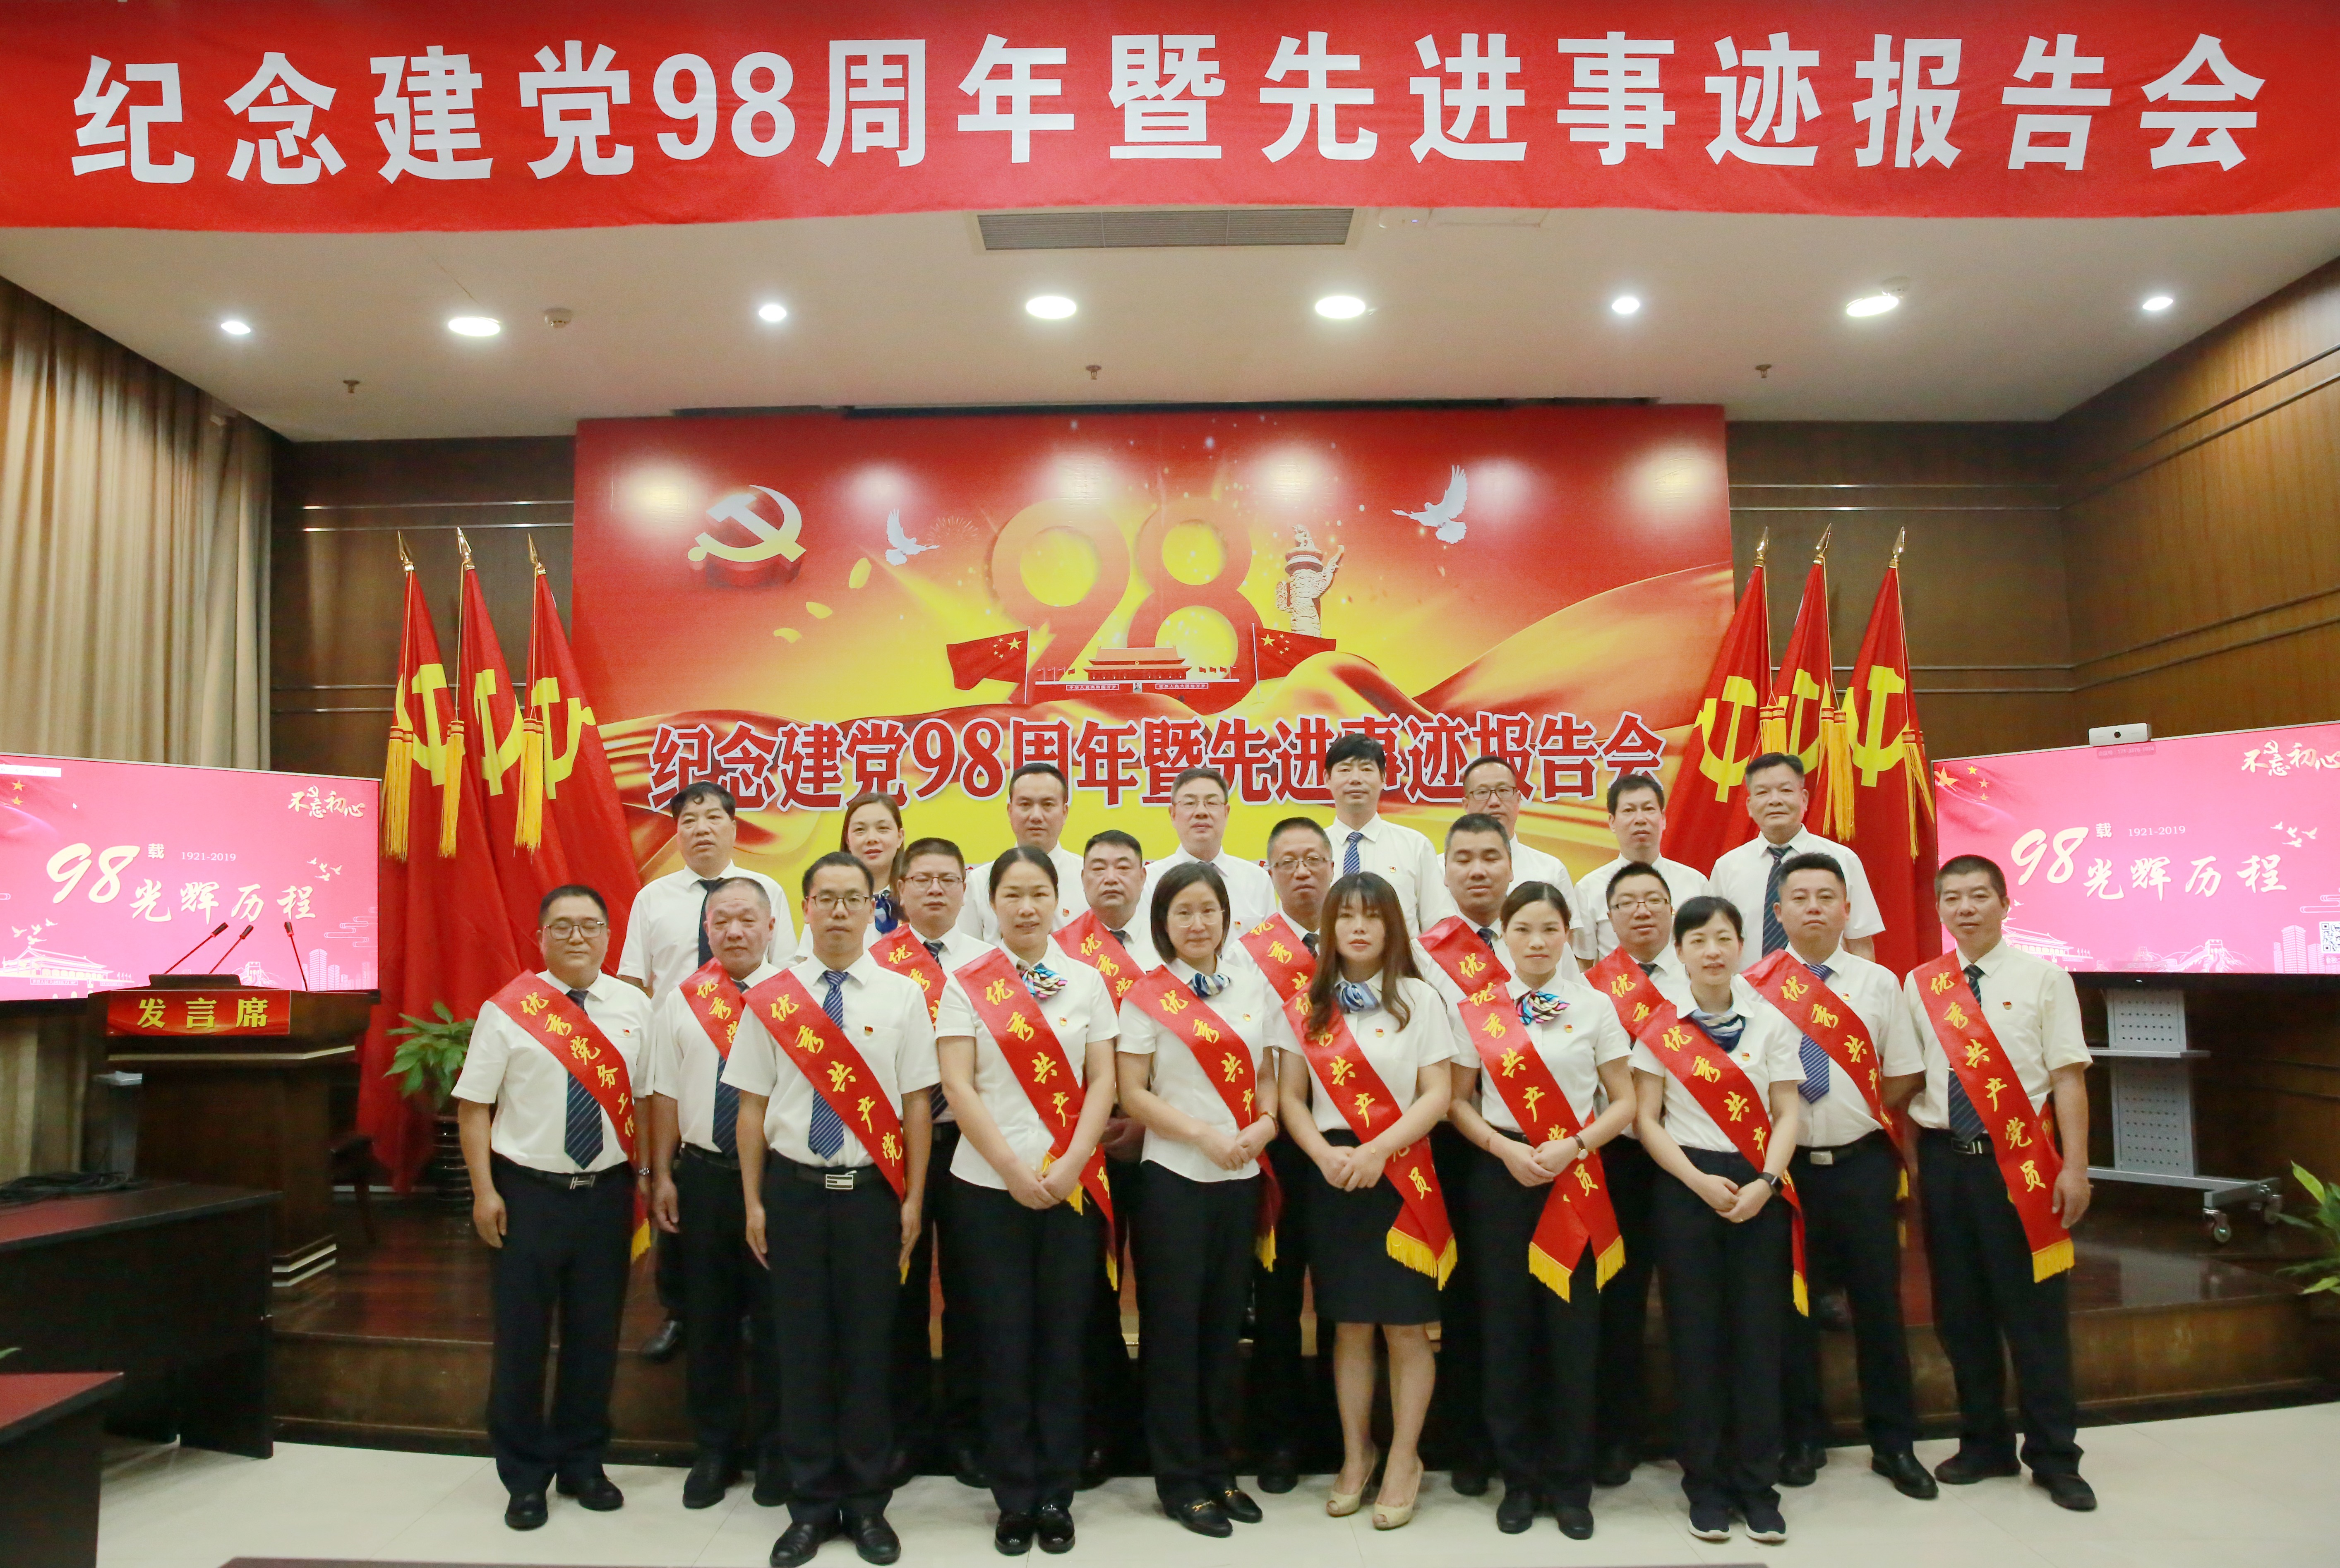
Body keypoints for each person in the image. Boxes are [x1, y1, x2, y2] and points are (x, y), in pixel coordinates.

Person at [727, 851, 938, 1567]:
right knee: (802, 1350)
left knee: (870, 1351)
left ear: (874, 907)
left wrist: (913, 1197)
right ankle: (812, 1504)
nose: (841, 911)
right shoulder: (774, 997)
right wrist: (753, 1200)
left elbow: (916, 1106)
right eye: (828, 898)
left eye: (854, 898)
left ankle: (868, 1504)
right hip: (793, 1192)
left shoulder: (902, 996)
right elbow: (751, 1108)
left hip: (872, 1195)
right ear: (807, 908)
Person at [936, 848, 1121, 1556]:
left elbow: (1102, 1080)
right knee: (1002, 1341)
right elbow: (958, 1086)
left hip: (1072, 1187)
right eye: (1012, 894)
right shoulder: (966, 982)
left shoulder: (1086, 981)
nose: (1025, 907)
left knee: (1063, 1341)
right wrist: (1012, 1168)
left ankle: (1055, 1493)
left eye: (1038, 893)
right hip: (987, 1189)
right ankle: (1013, 1496)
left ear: (1057, 900)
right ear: (994, 904)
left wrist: (1072, 1161)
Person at [453, 885, 651, 1532]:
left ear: (607, 935)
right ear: (539, 937)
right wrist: (484, 1190)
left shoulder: (634, 1007)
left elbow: (645, 1100)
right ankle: (523, 1475)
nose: (576, 937)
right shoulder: (509, 1009)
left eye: (589, 925)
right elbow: (474, 1107)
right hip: (527, 1193)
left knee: (595, 1335)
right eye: (561, 926)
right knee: (522, 1339)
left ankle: (583, 1462)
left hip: (606, 1193)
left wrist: (649, 1176)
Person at [1900, 855, 2096, 1511]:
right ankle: (1983, 1442)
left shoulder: (2044, 978)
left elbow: (2066, 1077)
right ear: (1939, 909)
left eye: (1978, 895)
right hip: (1945, 1162)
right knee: (1960, 1312)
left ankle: (2054, 1455)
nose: (1965, 908)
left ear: (2004, 904)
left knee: (2033, 1313)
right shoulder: (1922, 984)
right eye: (1951, 898)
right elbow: (1913, 1082)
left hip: (2021, 1165)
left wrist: (2074, 1166)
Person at [1442, 882, 1636, 1539]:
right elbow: (1457, 1101)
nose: (1535, 941)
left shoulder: (1595, 1006)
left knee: (1572, 1334)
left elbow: (1623, 1102)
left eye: (1549, 928)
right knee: (1506, 1332)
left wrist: (1575, 1144)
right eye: (1522, 928)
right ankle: (1518, 1480)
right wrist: (1503, 1149)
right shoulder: (1478, 1009)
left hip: (1573, 1175)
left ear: (1566, 935)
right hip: (1501, 1177)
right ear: (1503, 936)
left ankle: (1569, 1484)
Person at [1276, 871, 1457, 1532]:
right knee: (1348, 1324)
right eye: (1345, 916)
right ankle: (1357, 1455)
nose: (1357, 927)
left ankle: (1404, 1457)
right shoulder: (1305, 1003)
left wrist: (1380, 1148)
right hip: (1332, 1176)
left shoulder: (1419, 997)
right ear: (1328, 928)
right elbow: (1289, 1096)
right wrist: (1322, 1154)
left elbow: (1437, 1093)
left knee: (1405, 1326)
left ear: (1391, 926)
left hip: (1400, 1172)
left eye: (1371, 916)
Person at [1750, 853, 1934, 1499]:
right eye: (1798, 897)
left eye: (1825, 896)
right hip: (1786, 1171)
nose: (1812, 907)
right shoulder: (1754, 985)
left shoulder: (1878, 983)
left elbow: (1904, 1073)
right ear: (1778, 912)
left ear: (1845, 908)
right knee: (1791, 1308)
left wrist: (1853, 1109)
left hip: (1860, 1165)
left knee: (1877, 1306)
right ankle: (1803, 1437)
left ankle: (1893, 1443)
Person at [1115, 861, 1282, 1537]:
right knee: (1174, 1332)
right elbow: (1133, 1091)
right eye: (1182, 911)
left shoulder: (1252, 985)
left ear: (1225, 917)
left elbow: (1268, 1074)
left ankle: (1220, 1468)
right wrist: (1203, 1136)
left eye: (1207, 910)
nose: (1196, 922)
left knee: (1222, 1330)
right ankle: (1180, 1479)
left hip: (1238, 1180)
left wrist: (1265, 1123)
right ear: (1163, 923)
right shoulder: (1146, 994)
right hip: (1174, 1180)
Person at [1630, 895, 1803, 1545]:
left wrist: (1766, 1181)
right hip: (1685, 1187)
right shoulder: (1659, 1026)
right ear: (1678, 951)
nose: (1711, 950)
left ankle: (1757, 1485)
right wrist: (1696, 1181)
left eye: (1723, 937)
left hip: (1758, 1187)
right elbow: (1646, 1118)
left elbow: (1786, 1111)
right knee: (1694, 1339)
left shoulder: (1769, 1021)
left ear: (1739, 946)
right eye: (1697, 939)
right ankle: (1703, 1484)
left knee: (1757, 1339)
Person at [619, 779, 794, 1363]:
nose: (701, 828)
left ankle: (749, 1316)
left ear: (733, 826)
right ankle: (680, 1313)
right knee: (684, 1206)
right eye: (688, 819)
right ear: (676, 832)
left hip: (757, 1049)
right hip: (682, 1053)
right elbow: (635, 984)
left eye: (713, 816)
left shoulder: (766, 892)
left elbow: (786, 977)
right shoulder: (653, 898)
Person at [645, 878, 784, 1511]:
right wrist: (661, 1173)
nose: (733, 930)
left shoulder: (797, 998)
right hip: (702, 1175)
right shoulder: (682, 999)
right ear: (706, 930)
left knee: (780, 1320)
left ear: (771, 926)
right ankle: (715, 1449)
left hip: (778, 1178)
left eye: (746, 918)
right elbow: (664, 1092)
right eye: (721, 919)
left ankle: (777, 1451)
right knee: (708, 1318)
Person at [869, 838, 992, 1491]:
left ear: (965, 889)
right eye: (922, 879)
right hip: (898, 1147)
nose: (936, 890)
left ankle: (968, 1431)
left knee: (972, 1290)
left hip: (974, 1145)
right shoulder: (874, 962)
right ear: (899, 889)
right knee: (901, 1290)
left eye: (948, 879)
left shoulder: (989, 964)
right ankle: (903, 1431)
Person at [1408, 815, 1516, 1499]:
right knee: (1463, 1296)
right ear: (1444, 872)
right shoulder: (1425, 955)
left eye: (1490, 857)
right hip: (1445, 1142)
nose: (1478, 870)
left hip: (1530, 1139)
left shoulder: (1540, 939)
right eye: (1465, 858)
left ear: (1510, 865)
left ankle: (1524, 1437)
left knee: (1519, 1294)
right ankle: (1468, 1441)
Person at [1232, 816, 1334, 1494]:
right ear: (1269, 874)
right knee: (1274, 1296)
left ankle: (1340, 1433)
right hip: (1274, 1148)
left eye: (1313, 859)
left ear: (1332, 866)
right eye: (1288, 862)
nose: (1302, 872)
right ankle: (1277, 1439)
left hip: (1350, 1145)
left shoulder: (1363, 943)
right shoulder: (1248, 954)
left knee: (1343, 1295)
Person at [1051, 828, 1156, 1483]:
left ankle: (1160, 1434)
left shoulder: (1171, 942)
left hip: (1163, 1141)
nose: (1111, 876)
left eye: (1123, 865)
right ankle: (1097, 1429)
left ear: (1143, 875)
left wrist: (1146, 1119)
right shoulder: (1057, 952)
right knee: (1088, 1293)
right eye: (1098, 867)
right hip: (1079, 1145)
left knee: (1165, 1288)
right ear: (1082, 880)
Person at [1578, 863, 1684, 1485]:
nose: (1641, 911)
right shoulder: (1589, 989)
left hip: (1691, 1159)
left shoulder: (1701, 978)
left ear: (1672, 909)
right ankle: (1616, 1432)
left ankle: (1700, 1433)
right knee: (1616, 1299)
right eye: (1626, 903)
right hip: (1617, 1159)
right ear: (1608, 918)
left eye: (1653, 900)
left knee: (1692, 1296)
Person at [1707, 754, 1880, 968]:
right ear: (1750, 806)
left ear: (1804, 799)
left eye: (1786, 790)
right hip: (1748, 988)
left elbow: (1860, 946)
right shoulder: (1727, 867)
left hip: (1823, 987)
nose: (1775, 800)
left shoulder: (1843, 860)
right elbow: (1713, 941)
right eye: (1763, 793)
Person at [1572, 773, 1711, 962]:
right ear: (1612, 822)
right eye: (1629, 811)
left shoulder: (1695, 883)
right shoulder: (1589, 889)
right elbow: (1585, 963)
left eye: (1648, 809)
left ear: (1663, 819)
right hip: (1617, 982)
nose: (1640, 819)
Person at [1323, 733, 1446, 933]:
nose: (1356, 779)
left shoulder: (1415, 846)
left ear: (1383, 779)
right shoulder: (1312, 850)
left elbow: (1439, 925)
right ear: (1327, 779)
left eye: (1366, 769)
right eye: (1345, 770)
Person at [958, 764, 1087, 941]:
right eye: (1026, 805)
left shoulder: (1088, 877)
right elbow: (967, 952)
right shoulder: (980, 881)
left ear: (1065, 812)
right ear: (1010, 811)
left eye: (1048, 805)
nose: (1036, 816)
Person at [1140, 767, 1276, 930]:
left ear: (1226, 813)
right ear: (1173, 814)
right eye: (1190, 803)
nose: (1201, 812)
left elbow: (1270, 943)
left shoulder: (1257, 881)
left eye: (1211, 803)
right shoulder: (1148, 883)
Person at [1458, 753, 1583, 932]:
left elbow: (1570, 941)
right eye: (1482, 793)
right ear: (1466, 805)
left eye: (1504, 791)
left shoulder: (1551, 870)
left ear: (1518, 799)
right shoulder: (1440, 870)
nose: (1494, 802)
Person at [841, 791, 908, 937]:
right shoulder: (831, 901)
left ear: (900, 837)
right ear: (848, 841)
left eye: (883, 829)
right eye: (860, 830)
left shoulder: (916, 898)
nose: (872, 838)